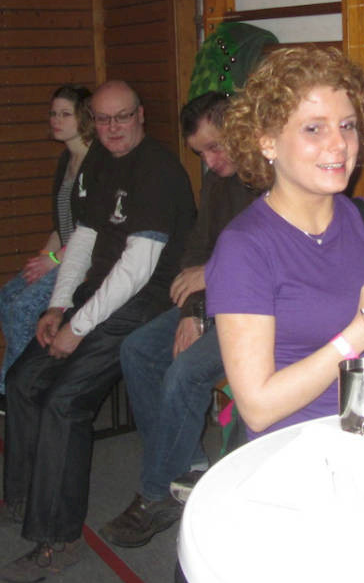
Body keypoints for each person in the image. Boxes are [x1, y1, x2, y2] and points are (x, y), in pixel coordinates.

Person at [0, 80, 196, 583]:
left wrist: (79, 328)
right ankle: (24, 498)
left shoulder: (159, 170)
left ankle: (57, 541)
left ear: (141, 114)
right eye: (103, 120)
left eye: (122, 117)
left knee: (65, 403)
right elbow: (82, 239)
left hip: (144, 304)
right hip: (99, 294)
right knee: (22, 380)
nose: (112, 128)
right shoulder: (99, 162)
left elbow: (136, 270)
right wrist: (59, 306)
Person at [206, 46, 364, 436]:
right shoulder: (244, 247)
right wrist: (360, 331)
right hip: (293, 451)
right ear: (267, 142)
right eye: (314, 128)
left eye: (348, 126)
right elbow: (257, 408)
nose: (339, 144)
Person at [100, 92, 259, 549]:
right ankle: (187, 467)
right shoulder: (218, 182)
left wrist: (207, 289)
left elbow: (270, 261)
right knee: (138, 350)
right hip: (217, 301)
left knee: (185, 372)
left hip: (258, 313)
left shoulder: (273, 177)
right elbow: (197, 249)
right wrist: (194, 311)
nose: (210, 161)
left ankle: (157, 494)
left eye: (215, 147)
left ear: (241, 130)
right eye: (201, 153)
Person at [0, 86, 95, 430]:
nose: (56, 120)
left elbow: (93, 229)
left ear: (83, 118)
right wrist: (44, 257)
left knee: (23, 308)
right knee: (6, 297)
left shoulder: (95, 162)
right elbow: (61, 224)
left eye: (65, 114)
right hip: (63, 255)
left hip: (86, 263)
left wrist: (55, 259)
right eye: (53, 113)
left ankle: (12, 390)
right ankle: (20, 381)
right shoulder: (66, 160)